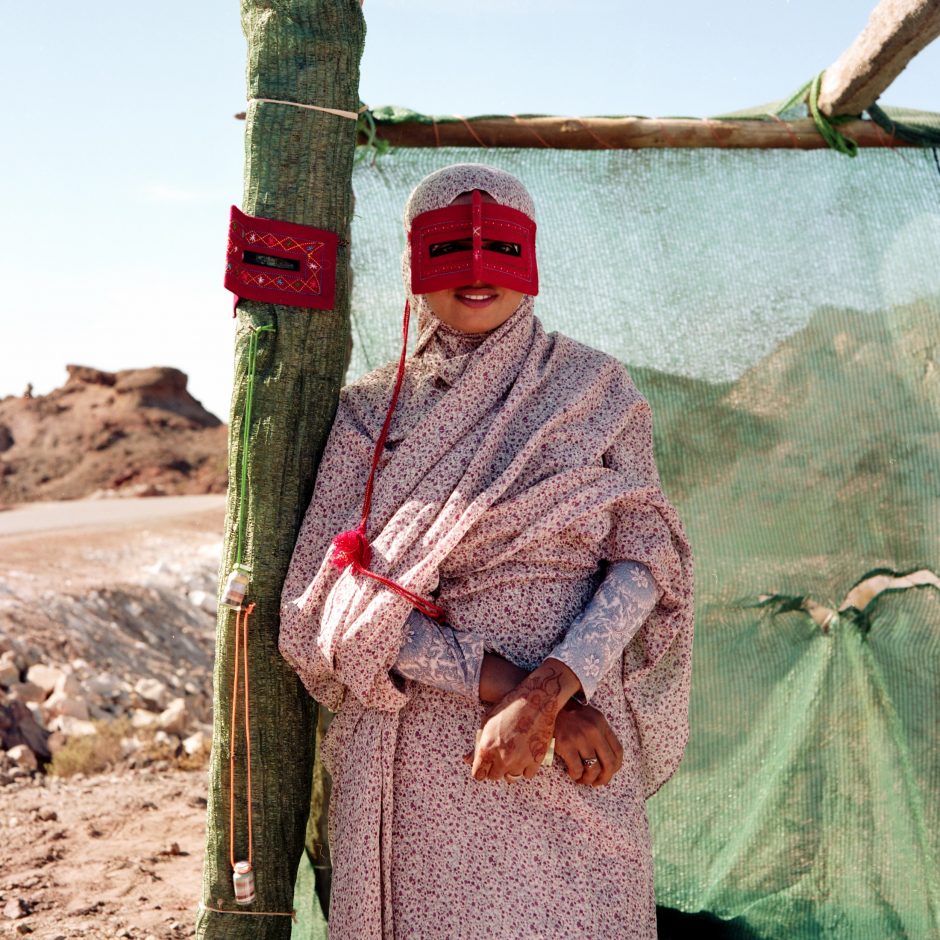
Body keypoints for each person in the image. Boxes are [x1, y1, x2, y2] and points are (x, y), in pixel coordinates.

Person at [280, 164, 694, 939]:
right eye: (448, 250)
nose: (476, 272)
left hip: (584, 726)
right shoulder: (371, 414)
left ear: (529, 256)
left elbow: (644, 557)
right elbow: (337, 606)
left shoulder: (596, 388)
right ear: (414, 263)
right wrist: (510, 693)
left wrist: (555, 695)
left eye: (500, 245)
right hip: (429, 745)